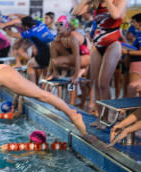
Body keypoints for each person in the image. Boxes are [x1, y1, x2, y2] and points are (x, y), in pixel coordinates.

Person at [72, 0, 127, 130]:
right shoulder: (96, 3)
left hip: (113, 43)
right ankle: (99, 117)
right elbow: (76, 12)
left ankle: (106, 118)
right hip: (97, 44)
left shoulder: (121, 1)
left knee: (103, 83)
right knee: (96, 83)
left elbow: (115, 15)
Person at [0, 16, 55, 83]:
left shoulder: (30, 32)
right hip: (54, 48)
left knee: (30, 64)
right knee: (46, 74)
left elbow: (13, 34)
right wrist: (14, 14)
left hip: (47, 53)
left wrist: (5, 28)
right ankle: (43, 90)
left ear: (26, 27)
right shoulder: (39, 23)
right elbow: (24, 16)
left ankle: (32, 88)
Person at [46, 16, 91, 106]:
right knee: (53, 45)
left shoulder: (72, 38)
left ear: (67, 26)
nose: (58, 27)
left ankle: (75, 104)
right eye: (56, 24)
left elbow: (77, 57)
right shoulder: (59, 37)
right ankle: (71, 103)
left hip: (86, 58)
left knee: (84, 83)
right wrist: (50, 71)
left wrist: (76, 75)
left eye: (61, 24)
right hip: (74, 59)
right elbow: (53, 56)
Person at [124, 13, 141, 98]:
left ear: (139, 22)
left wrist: (127, 52)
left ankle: (134, 111)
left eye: (134, 22)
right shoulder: (138, 35)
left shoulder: (140, 35)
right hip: (136, 64)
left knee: (133, 90)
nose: (133, 24)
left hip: (137, 64)